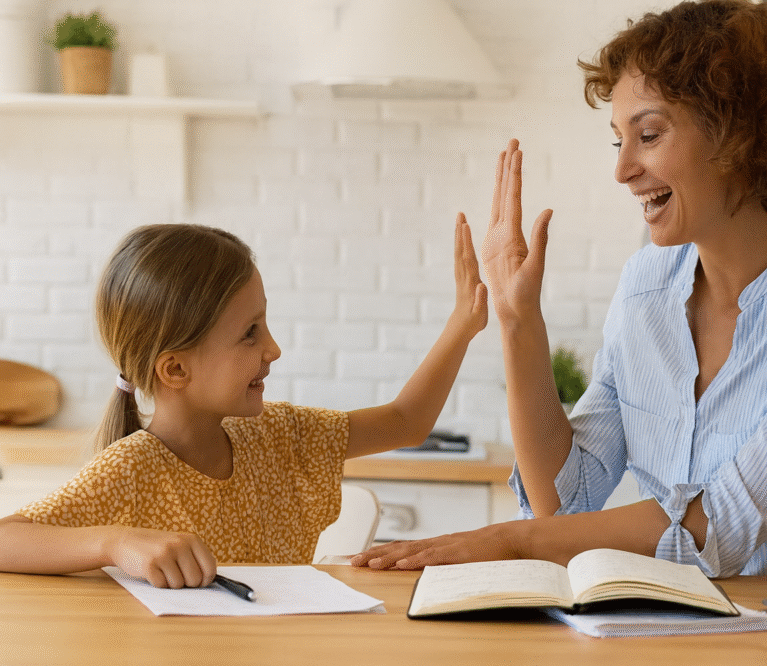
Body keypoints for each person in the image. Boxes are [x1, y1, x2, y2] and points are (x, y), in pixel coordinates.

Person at [351, 0, 767, 578]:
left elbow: (725, 521)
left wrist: (509, 542)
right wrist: (518, 322)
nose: (623, 170)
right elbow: (566, 501)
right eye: (620, 141)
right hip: (666, 621)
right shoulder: (648, 283)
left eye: (649, 134)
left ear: (739, 135)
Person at [0, 216, 487, 589]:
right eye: (250, 334)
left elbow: (406, 423)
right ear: (175, 370)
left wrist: (463, 324)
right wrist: (113, 542)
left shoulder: (279, 434)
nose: (273, 349)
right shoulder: (131, 470)